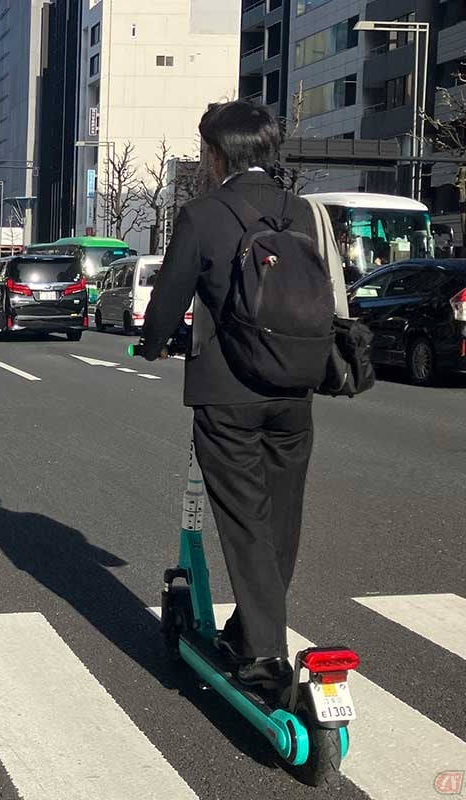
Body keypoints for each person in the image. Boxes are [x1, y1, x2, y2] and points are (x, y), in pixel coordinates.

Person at [138, 100, 318, 691]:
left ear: (216, 155)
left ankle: (264, 652)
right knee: (280, 518)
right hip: (294, 388)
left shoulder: (203, 214)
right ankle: (249, 627)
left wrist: (153, 344)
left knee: (244, 519)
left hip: (228, 393)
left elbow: (169, 297)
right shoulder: (305, 213)